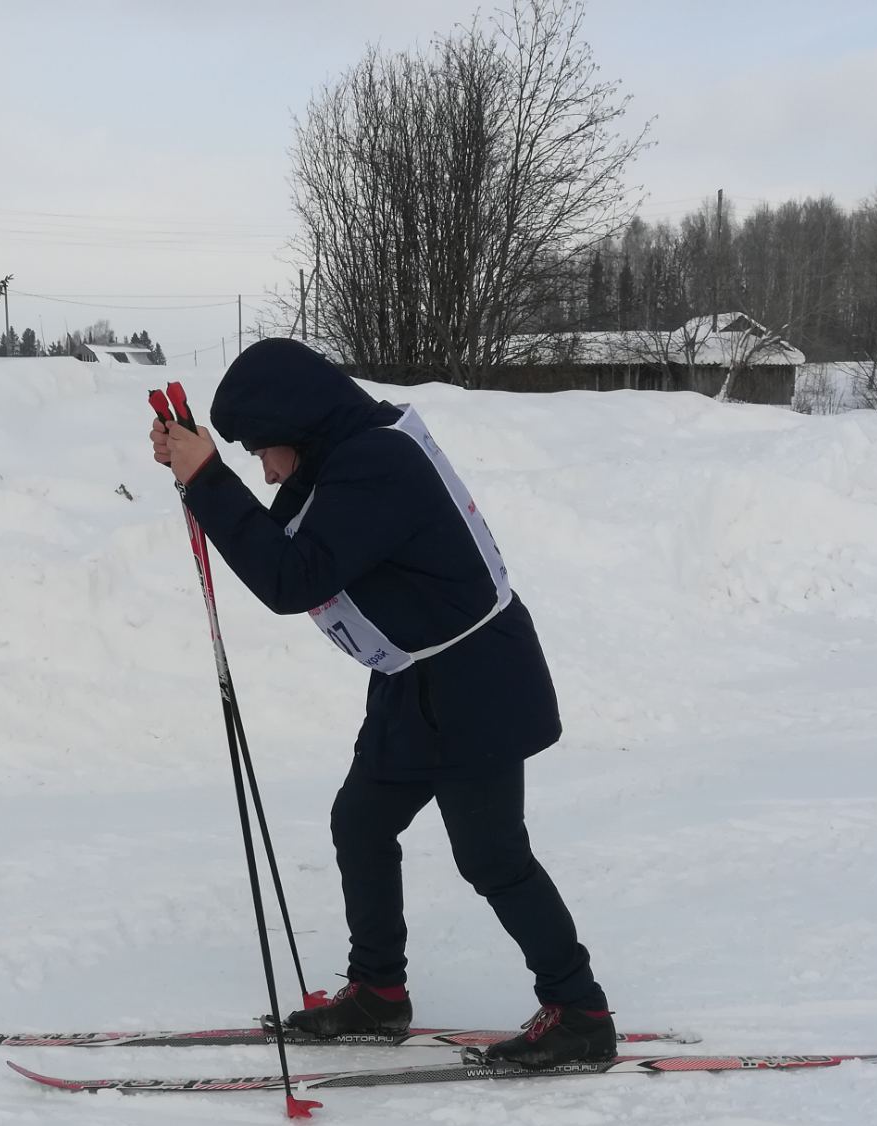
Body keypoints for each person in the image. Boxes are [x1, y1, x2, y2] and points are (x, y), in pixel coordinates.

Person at [148, 338, 613, 1068]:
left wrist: (208, 480)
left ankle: (580, 1011)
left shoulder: (376, 465)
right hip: (416, 681)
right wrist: (199, 472)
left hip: (477, 681)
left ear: (298, 427)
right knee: (361, 822)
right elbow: (280, 539)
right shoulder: (344, 453)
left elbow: (291, 580)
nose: (266, 471)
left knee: (492, 857)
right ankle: (378, 996)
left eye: (266, 452)